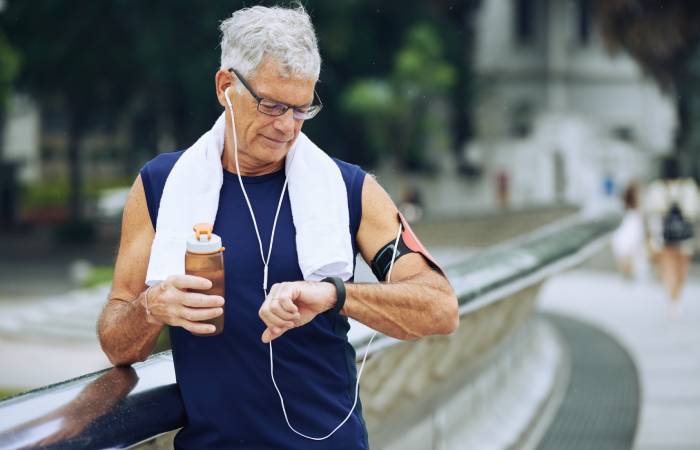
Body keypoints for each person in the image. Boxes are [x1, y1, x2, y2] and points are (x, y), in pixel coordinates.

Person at [97, 5, 459, 450]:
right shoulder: (160, 186)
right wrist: (152, 307)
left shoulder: (350, 189)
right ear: (226, 86)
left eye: (301, 109)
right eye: (271, 105)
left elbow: (440, 308)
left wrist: (335, 294)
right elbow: (117, 344)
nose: (287, 126)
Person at [645, 157, 700, 312]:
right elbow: (693, 212)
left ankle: (672, 298)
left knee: (668, 267)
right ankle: (676, 297)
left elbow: (652, 214)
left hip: (664, 236)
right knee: (681, 269)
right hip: (685, 236)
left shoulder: (657, 188)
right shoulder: (689, 187)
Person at [611, 182, 647, 279]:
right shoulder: (637, 203)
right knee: (631, 250)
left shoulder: (624, 203)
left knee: (625, 250)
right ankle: (628, 271)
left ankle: (627, 271)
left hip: (628, 222)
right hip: (633, 222)